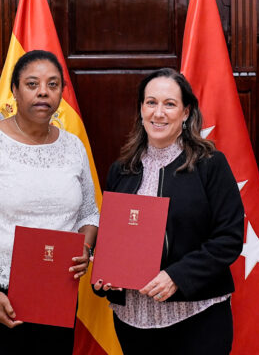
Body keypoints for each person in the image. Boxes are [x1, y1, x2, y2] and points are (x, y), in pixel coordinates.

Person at [0, 50, 99, 354]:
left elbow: (89, 212)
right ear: (15, 90)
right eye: (32, 83)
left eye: (52, 85)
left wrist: (85, 249)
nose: (42, 92)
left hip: (56, 294)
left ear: (62, 92)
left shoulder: (73, 146)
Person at [93, 68, 244, 354]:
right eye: (151, 102)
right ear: (141, 109)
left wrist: (177, 276)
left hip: (198, 317)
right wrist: (105, 277)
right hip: (133, 322)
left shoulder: (210, 165)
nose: (158, 113)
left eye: (169, 104)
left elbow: (229, 238)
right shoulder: (122, 170)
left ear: (186, 112)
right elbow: (111, 240)